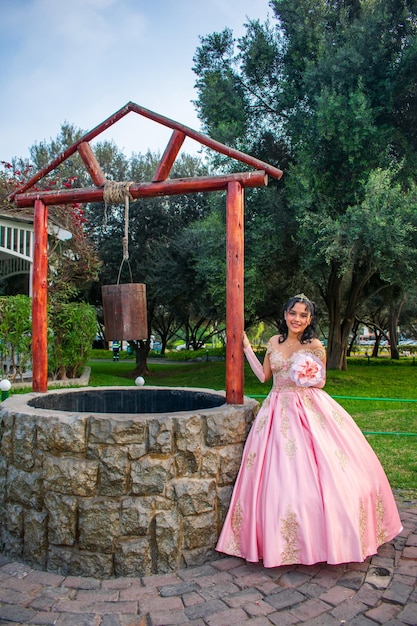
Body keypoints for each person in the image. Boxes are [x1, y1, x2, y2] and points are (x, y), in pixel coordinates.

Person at [216, 294, 402, 567]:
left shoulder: (315, 346)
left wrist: (305, 375)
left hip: (307, 407)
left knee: (323, 469)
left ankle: (328, 538)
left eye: (304, 315)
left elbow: (321, 381)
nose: (297, 319)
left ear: (310, 320)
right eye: (293, 313)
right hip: (276, 409)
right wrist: (245, 348)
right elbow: (264, 377)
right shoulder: (273, 342)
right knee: (277, 474)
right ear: (285, 314)